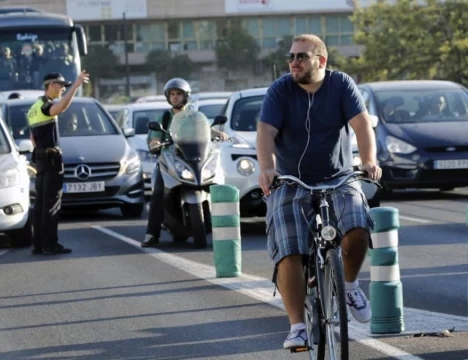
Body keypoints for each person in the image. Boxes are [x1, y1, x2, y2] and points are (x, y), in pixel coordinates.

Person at [256, 34, 382, 350]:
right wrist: (267, 167)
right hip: (290, 181)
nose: (294, 62)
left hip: (339, 177)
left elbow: (362, 124)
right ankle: (297, 327)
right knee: (290, 248)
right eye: (291, 57)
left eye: (302, 56)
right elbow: (266, 131)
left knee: (357, 224)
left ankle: (349, 285)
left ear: (321, 61)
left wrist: (368, 161)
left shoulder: (341, 85)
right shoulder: (280, 90)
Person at [141, 78, 229, 248]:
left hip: (192, 157)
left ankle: (224, 225)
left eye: (178, 94)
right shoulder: (164, 117)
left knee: (217, 181)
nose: (175, 97)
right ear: (168, 97)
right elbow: (154, 136)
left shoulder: (192, 116)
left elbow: (205, 129)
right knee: (158, 191)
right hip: (169, 160)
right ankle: (152, 234)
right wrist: (154, 144)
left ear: (185, 96)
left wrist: (218, 133)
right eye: (172, 94)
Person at [27, 71, 89, 255]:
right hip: (51, 159)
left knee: (40, 204)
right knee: (51, 203)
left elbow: (32, 137)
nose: (63, 89)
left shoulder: (34, 107)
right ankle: (50, 244)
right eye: (61, 85)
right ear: (51, 84)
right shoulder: (46, 105)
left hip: (40, 157)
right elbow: (60, 108)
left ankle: (38, 244)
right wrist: (76, 87)